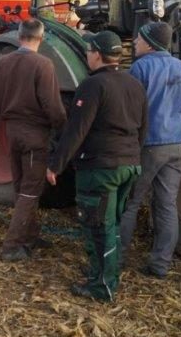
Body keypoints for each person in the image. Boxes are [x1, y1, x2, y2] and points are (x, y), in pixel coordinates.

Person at [46, 31, 147, 302]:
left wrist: (56, 164)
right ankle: (106, 272)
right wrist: (133, 156)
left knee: (97, 227)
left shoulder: (93, 86)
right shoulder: (134, 84)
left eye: (89, 51)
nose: (87, 55)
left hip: (100, 168)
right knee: (111, 224)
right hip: (129, 164)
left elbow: (76, 130)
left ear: (98, 55)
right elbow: (143, 127)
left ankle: (102, 286)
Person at [119, 22, 181, 278]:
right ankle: (159, 265)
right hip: (176, 145)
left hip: (148, 145)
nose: (135, 43)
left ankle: (117, 259)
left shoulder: (140, 68)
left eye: (139, 39)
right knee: (167, 205)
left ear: (150, 44)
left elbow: (127, 107)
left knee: (130, 202)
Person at [0, 18, 68, 261]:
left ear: (20, 36)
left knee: (20, 185)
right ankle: (12, 246)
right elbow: (52, 105)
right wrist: (63, 129)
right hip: (34, 136)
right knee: (31, 190)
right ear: (41, 38)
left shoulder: (4, 62)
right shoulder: (43, 64)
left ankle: (30, 235)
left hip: (12, 132)